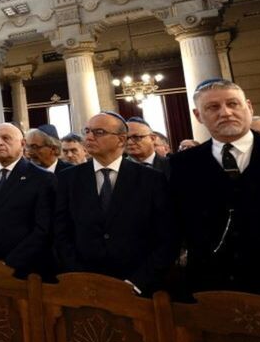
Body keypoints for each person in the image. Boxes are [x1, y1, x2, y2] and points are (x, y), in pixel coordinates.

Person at [54, 112, 174, 294]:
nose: (89, 137)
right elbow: (61, 231)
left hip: (137, 286)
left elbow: (167, 236)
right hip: (83, 283)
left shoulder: (151, 179)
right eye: (87, 131)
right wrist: (77, 274)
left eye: (99, 132)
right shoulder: (68, 178)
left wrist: (137, 282)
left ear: (121, 139)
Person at [172, 79, 260, 295]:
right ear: (198, 116)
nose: (225, 113)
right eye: (213, 107)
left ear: (248, 107)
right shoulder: (181, 165)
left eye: (233, 104)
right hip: (209, 288)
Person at [0, 123, 56, 279]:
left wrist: (9, 264)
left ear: (22, 144)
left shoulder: (42, 178)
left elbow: (42, 230)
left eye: (6, 138)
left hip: (22, 269)